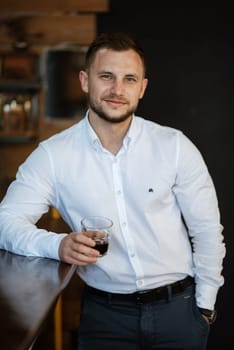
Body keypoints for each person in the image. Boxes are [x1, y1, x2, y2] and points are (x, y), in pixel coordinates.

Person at [0, 32, 225, 350]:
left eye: (129, 79)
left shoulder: (174, 146)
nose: (118, 90)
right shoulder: (53, 156)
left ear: (142, 88)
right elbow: (5, 221)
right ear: (85, 80)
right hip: (104, 319)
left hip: (180, 313)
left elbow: (207, 232)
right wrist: (57, 245)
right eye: (106, 76)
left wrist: (204, 308)